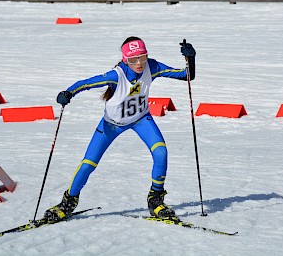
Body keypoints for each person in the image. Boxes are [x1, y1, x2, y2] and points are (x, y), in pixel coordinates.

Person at [44, 36, 196, 222]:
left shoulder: (153, 66)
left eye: (143, 57)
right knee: (88, 164)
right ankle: (67, 203)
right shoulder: (117, 75)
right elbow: (87, 83)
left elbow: (186, 76)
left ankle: (155, 199)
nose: (139, 63)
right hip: (111, 125)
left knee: (161, 152)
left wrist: (191, 59)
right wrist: (68, 92)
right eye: (133, 59)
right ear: (125, 60)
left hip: (141, 119)